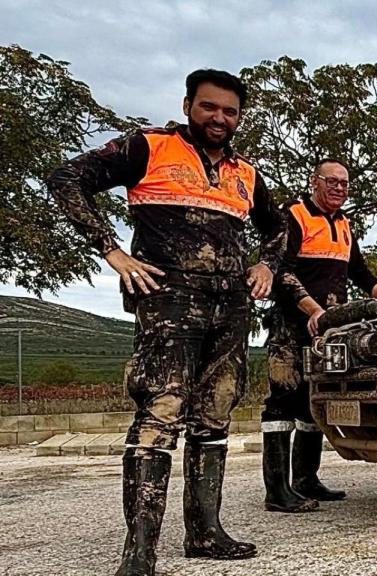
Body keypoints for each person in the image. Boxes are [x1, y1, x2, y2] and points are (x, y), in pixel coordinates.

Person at [48, 69, 287, 575]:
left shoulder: (246, 172)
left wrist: (266, 264)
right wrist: (111, 251)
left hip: (231, 307)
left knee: (216, 414)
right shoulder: (148, 147)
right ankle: (139, 553)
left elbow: (280, 227)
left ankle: (205, 532)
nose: (219, 118)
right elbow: (66, 179)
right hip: (169, 301)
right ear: (187, 106)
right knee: (161, 413)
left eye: (230, 111)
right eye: (209, 107)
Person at [261, 158, 377, 513]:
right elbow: (282, 273)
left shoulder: (346, 224)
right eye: (331, 181)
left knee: (312, 402)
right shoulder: (294, 215)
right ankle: (277, 490)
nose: (338, 188)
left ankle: (306, 480)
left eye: (344, 183)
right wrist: (312, 309)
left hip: (330, 331)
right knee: (282, 402)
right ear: (314, 181)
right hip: (291, 327)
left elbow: (361, 273)